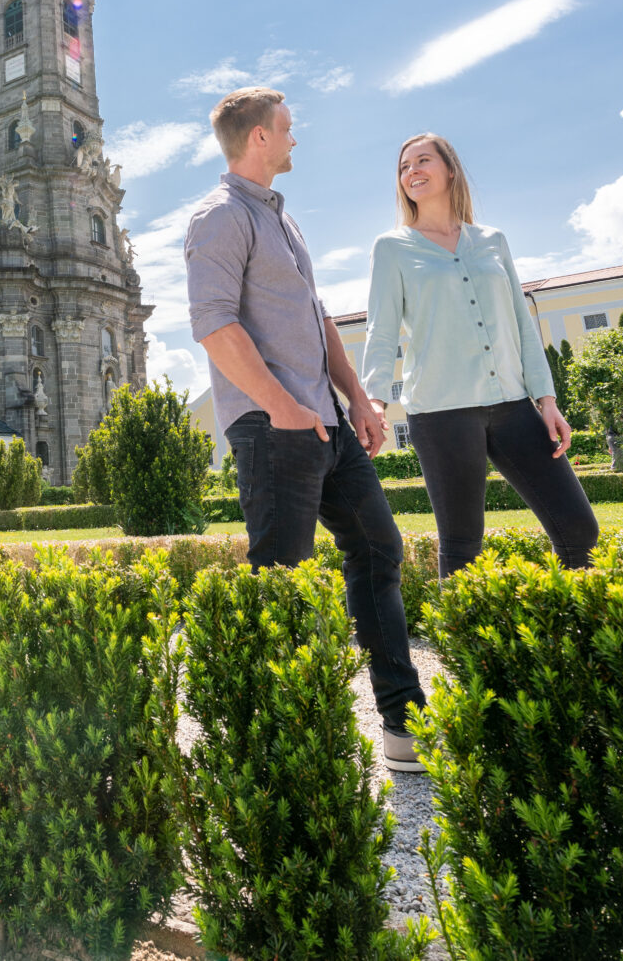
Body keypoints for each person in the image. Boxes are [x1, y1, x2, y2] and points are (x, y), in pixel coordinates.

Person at [185, 87, 426, 775]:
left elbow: (319, 322)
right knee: (279, 586)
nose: (296, 138)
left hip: (326, 422)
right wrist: (281, 405)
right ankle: (271, 754)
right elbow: (214, 326)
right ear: (258, 137)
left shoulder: (284, 222)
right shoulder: (220, 217)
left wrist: (356, 399)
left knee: (379, 547)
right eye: (287, 129)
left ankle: (403, 721)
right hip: (274, 427)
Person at [361, 133, 599, 578]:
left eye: (422, 160)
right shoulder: (391, 248)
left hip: (513, 406)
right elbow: (382, 330)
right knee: (463, 544)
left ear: (450, 169)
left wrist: (546, 400)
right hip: (441, 412)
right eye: (403, 166)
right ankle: (464, 645)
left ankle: (577, 630)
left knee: (578, 527)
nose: (411, 171)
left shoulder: (492, 240)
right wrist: (374, 400)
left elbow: (521, 323)